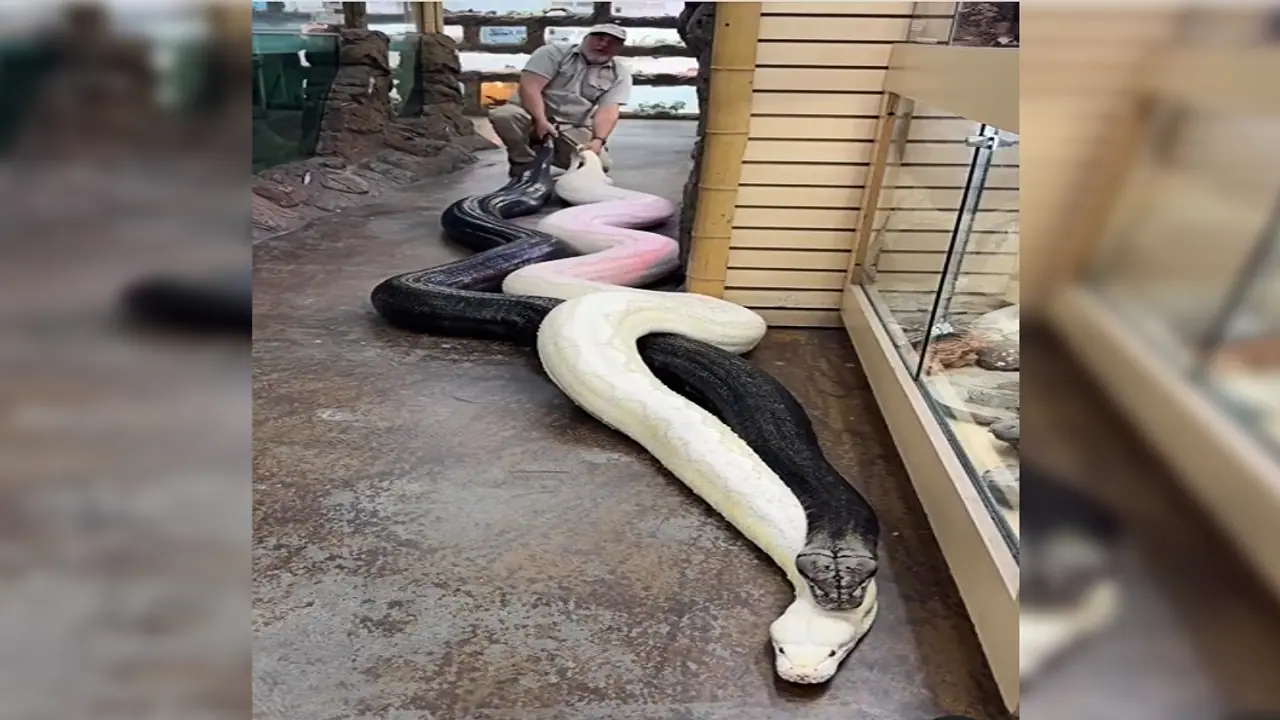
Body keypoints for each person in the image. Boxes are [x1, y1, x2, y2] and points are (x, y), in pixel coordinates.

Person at [489, 23, 632, 176]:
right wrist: (541, 120)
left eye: (612, 42)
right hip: (530, 114)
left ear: (619, 48)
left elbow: (608, 111)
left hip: (570, 126)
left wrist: (598, 140)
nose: (603, 44)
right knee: (505, 115)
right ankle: (523, 162)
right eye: (599, 38)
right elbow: (530, 87)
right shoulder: (552, 53)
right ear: (585, 38)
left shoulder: (620, 73)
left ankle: (550, 153)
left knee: (600, 166)